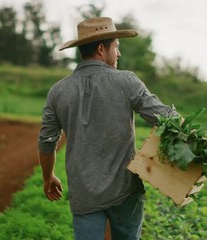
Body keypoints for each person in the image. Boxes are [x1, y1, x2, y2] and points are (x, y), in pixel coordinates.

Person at [38, 17, 178, 240]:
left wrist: (48, 177)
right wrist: (192, 133)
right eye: (117, 47)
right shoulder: (127, 81)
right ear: (102, 49)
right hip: (124, 191)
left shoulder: (58, 91)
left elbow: (46, 141)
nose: (119, 54)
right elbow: (163, 118)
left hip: (84, 193)